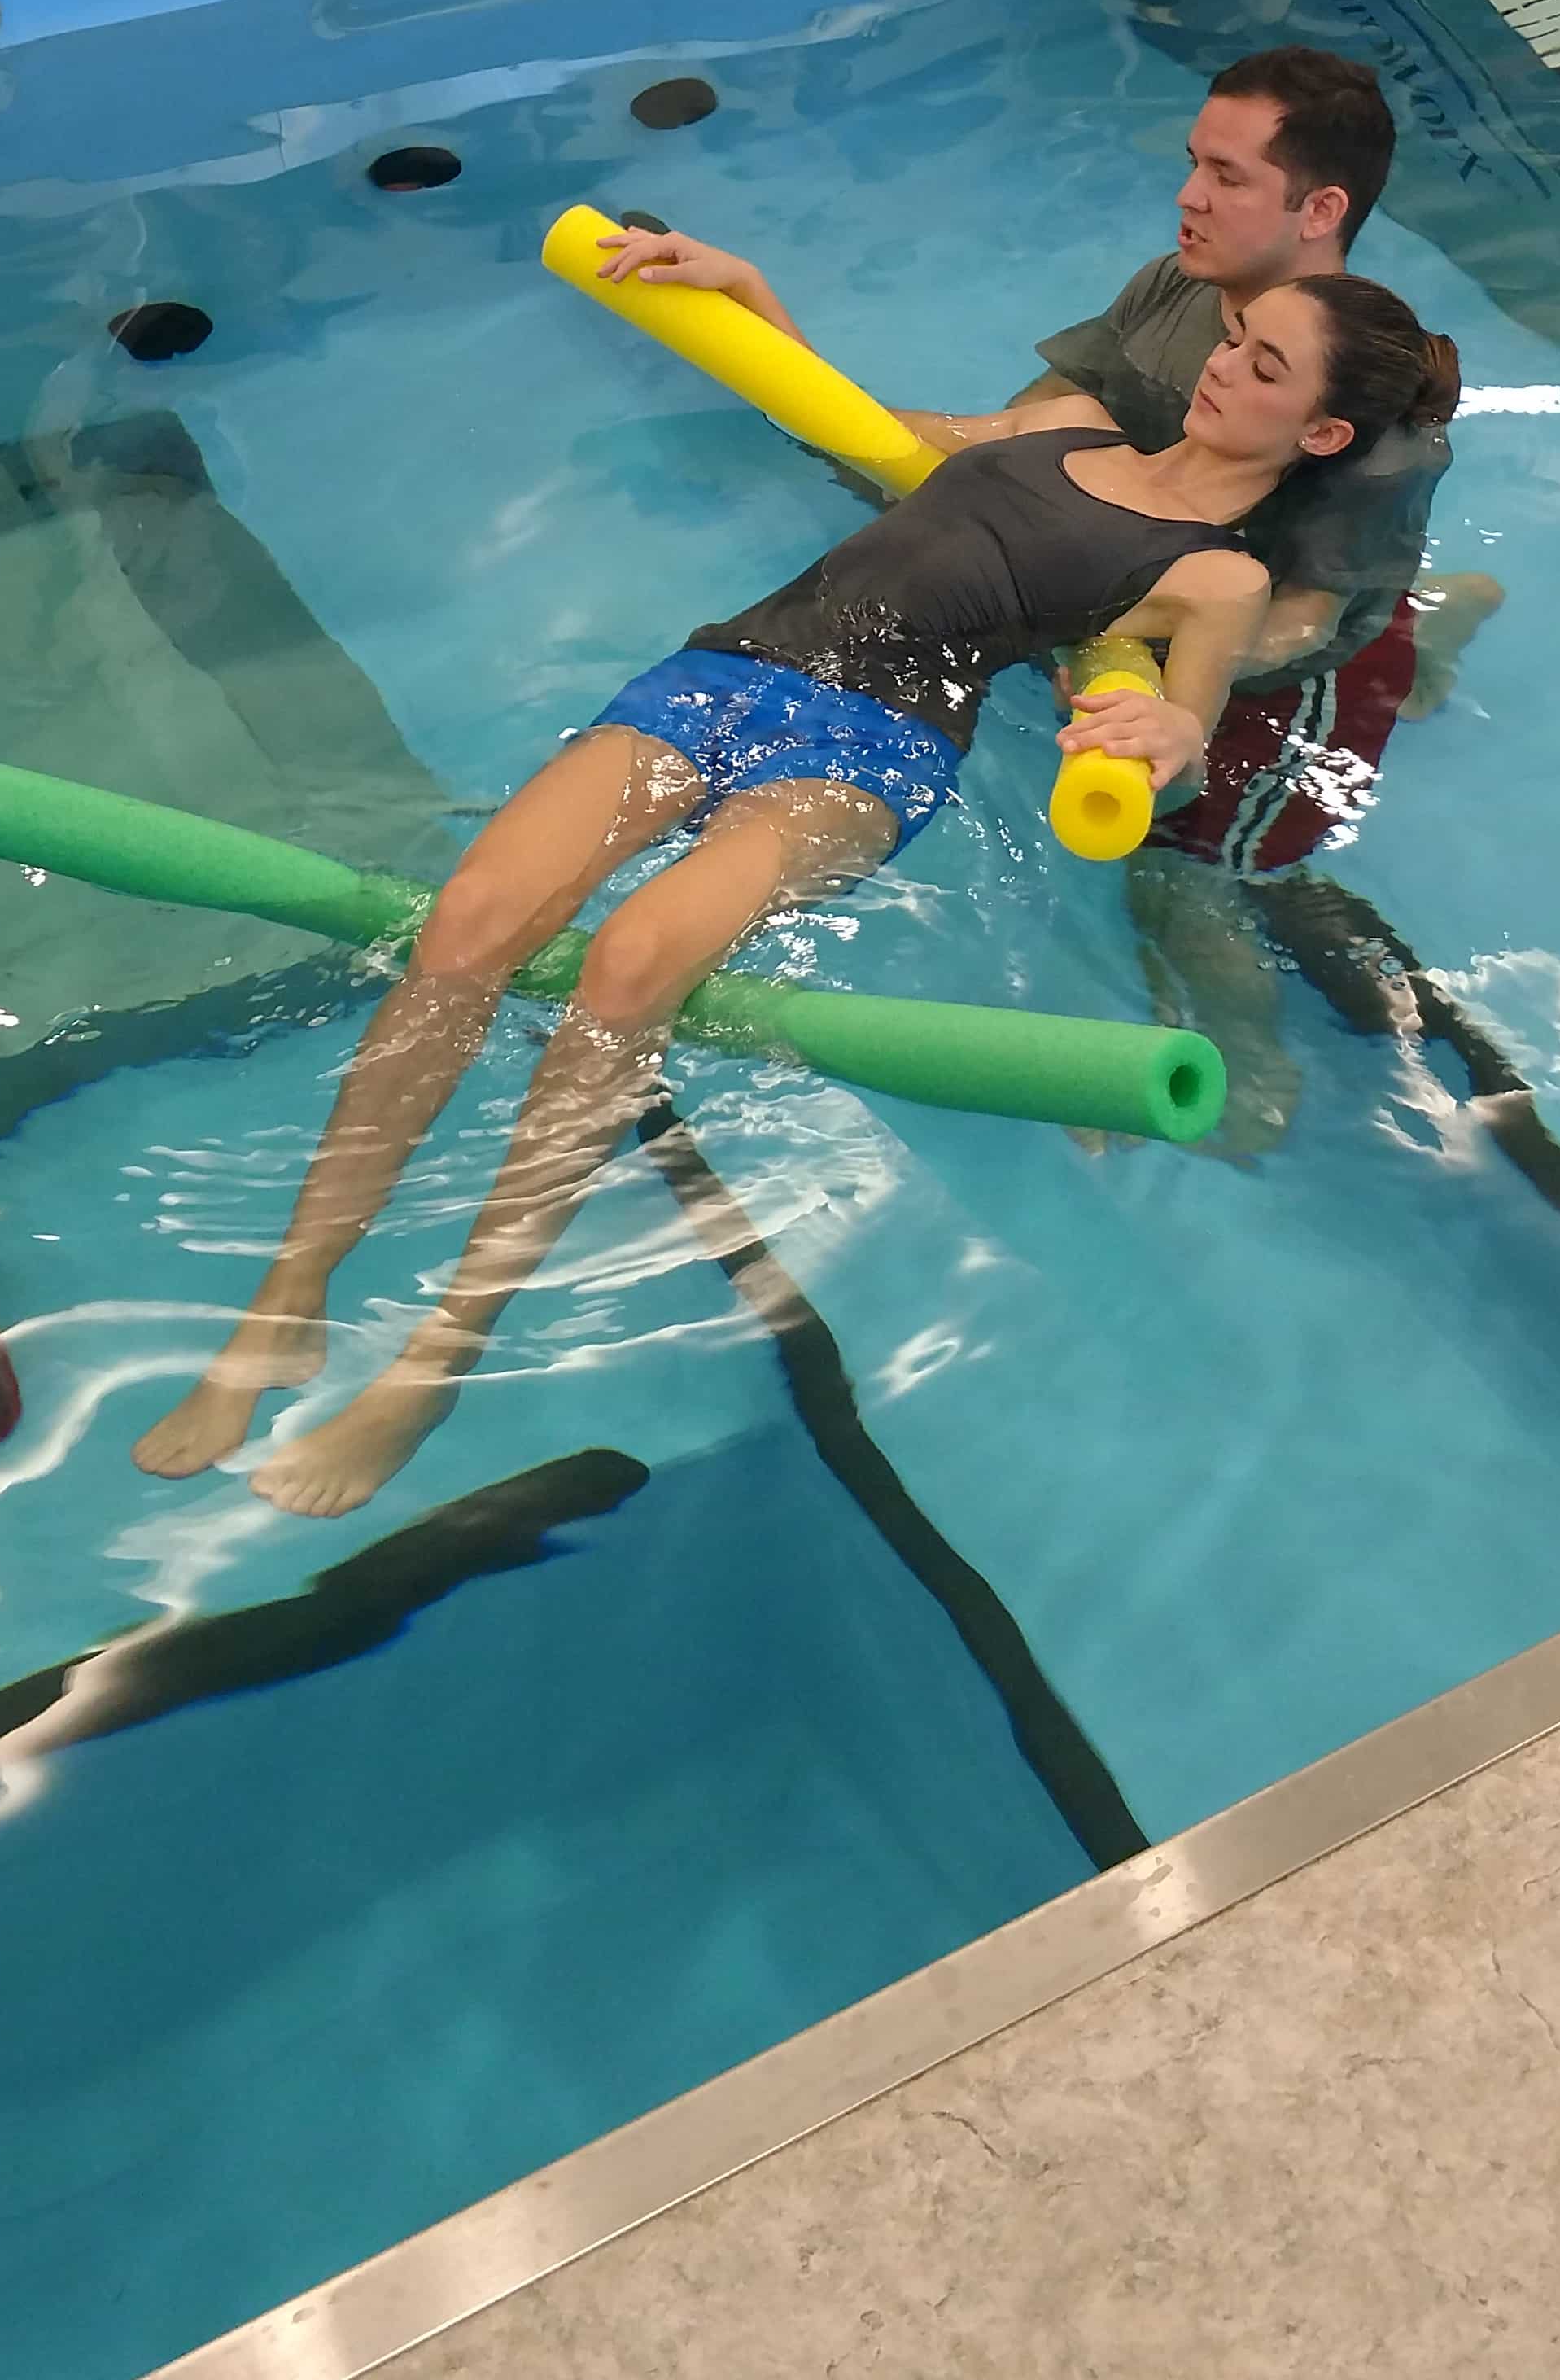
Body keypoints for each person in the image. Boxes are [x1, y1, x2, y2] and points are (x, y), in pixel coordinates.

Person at [133, 253, 1444, 1516]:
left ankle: (438, 1356)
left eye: (1264, 366)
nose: (1222, 368)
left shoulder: (1220, 575)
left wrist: (1161, 741)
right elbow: (867, 433)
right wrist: (749, 299)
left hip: (870, 749)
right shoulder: (1069, 422)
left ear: (1321, 436)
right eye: (1232, 339)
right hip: (724, 673)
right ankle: (289, 1297)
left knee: (633, 961)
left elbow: (1187, 735)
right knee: (468, 925)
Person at [1027, 47, 1501, 1152]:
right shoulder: (1178, 286)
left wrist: (1144, 628)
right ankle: (1435, 619)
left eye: (1228, 176)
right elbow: (1036, 420)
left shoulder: (1377, 434)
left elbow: (1302, 624)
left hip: (1301, 668)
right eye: (1196, 163)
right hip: (1203, 590)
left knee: (1181, 873)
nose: (1188, 196)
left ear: (1318, 208)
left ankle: (1250, 1063)